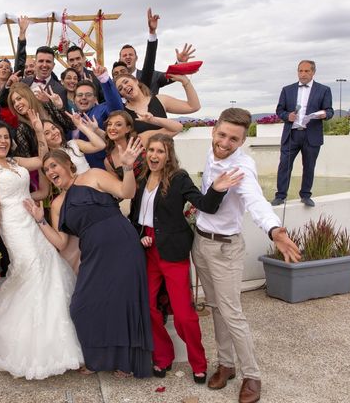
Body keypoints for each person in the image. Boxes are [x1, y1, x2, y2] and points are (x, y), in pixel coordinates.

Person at [192, 108, 301, 403]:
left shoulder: (241, 167)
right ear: (214, 130)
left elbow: (255, 200)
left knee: (232, 313)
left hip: (226, 249)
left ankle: (252, 375)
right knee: (215, 307)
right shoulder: (212, 150)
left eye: (233, 139)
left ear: (242, 141)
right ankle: (226, 364)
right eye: (223, 135)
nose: (225, 143)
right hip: (200, 244)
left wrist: (274, 230)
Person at [27, 144, 153, 378]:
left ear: (68, 164)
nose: (50, 171)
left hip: (121, 242)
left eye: (53, 165)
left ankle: (124, 363)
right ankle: (98, 359)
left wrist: (126, 168)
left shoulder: (93, 175)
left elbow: (127, 192)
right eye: (46, 170)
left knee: (122, 303)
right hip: (94, 252)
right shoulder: (56, 204)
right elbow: (62, 242)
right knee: (81, 307)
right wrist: (40, 221)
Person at [128, 134, 242, 384]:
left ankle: (198, 363)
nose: (154, 155)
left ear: (169, 155)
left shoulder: (178, 178)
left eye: (160, 151)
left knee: (183, 314)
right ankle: (162, 356)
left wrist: (216, 189)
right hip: (147, 251)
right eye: (151, 150)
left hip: (171, 251)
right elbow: (136, 216)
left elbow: (204, 204)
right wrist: (140, 236)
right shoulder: (141, 178)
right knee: (146, 306)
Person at [0, 119, 83, 379]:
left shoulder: (15, 162)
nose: (3, 141)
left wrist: (39, 130)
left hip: (32, 218)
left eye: (6, 137)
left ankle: (56, 333)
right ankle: (28, 338)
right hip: (12, 226)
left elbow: (42, 159)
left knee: (50, 264)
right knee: (31, 269)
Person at [272, 60, 334, 207]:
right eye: (300, 71)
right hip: (291, 135)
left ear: (313, 72)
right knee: (284, 166)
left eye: (306, 71)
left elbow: (330, 111)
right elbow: (279, 110)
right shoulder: (287, 90)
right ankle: (280, 196)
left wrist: (324, 114)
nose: (303, 74)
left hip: (311, 135)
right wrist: (288, 116)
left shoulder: (324, 90)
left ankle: (305, 195)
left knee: (309, 166)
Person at [104, 110, 181, 180]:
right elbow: (120, 189)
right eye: (109, 124)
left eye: (118, 124)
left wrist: (152, 120)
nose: (112, 128)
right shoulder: (109, 161)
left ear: (128, 128)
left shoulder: (141, 140)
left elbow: (177, 128)